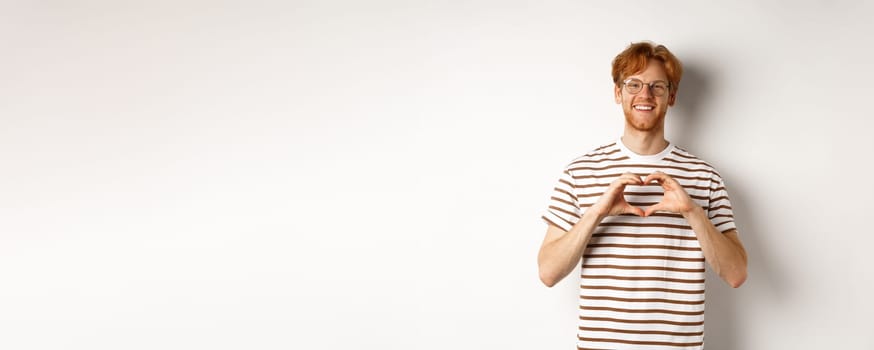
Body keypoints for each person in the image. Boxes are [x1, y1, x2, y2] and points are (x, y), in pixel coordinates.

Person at [537, 41, 748, 349]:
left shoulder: (705, 176)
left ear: (671, 96)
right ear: (617, 93)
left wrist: (692, 212)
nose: (644, 95)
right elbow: (548, 272)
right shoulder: (580, 172)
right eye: (633, 84)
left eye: (656, 86)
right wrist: (596, 212)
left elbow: (736, 274)